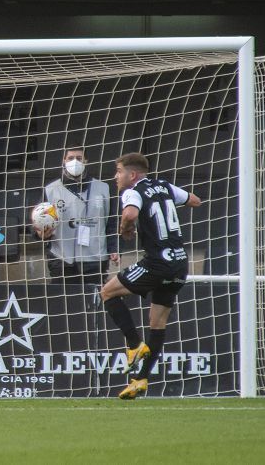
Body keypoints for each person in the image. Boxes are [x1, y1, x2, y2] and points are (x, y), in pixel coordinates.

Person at [99, 152, 201, 400]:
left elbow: (131, 214)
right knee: (158, 323)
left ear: (132, 174)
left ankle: (134, 345)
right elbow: (195, 201)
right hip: (179, 264)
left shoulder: (132, 191)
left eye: (118, 171)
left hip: (157, 262)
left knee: (107, 292)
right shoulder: (164, 186)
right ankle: (140, 380)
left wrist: (126, 229)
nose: (116, 177)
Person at [35, 146, 118, 287]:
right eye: (71, 158)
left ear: (86, 161)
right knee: (63, 303)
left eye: (79, 158)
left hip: (95, 259)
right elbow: (38, 220)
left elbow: (113, 222)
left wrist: (115, 248)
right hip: (62, 259)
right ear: (64, 161)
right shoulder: (51, 190)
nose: (75, 162)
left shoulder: (104, 188)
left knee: (94, 302)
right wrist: (40, 233)